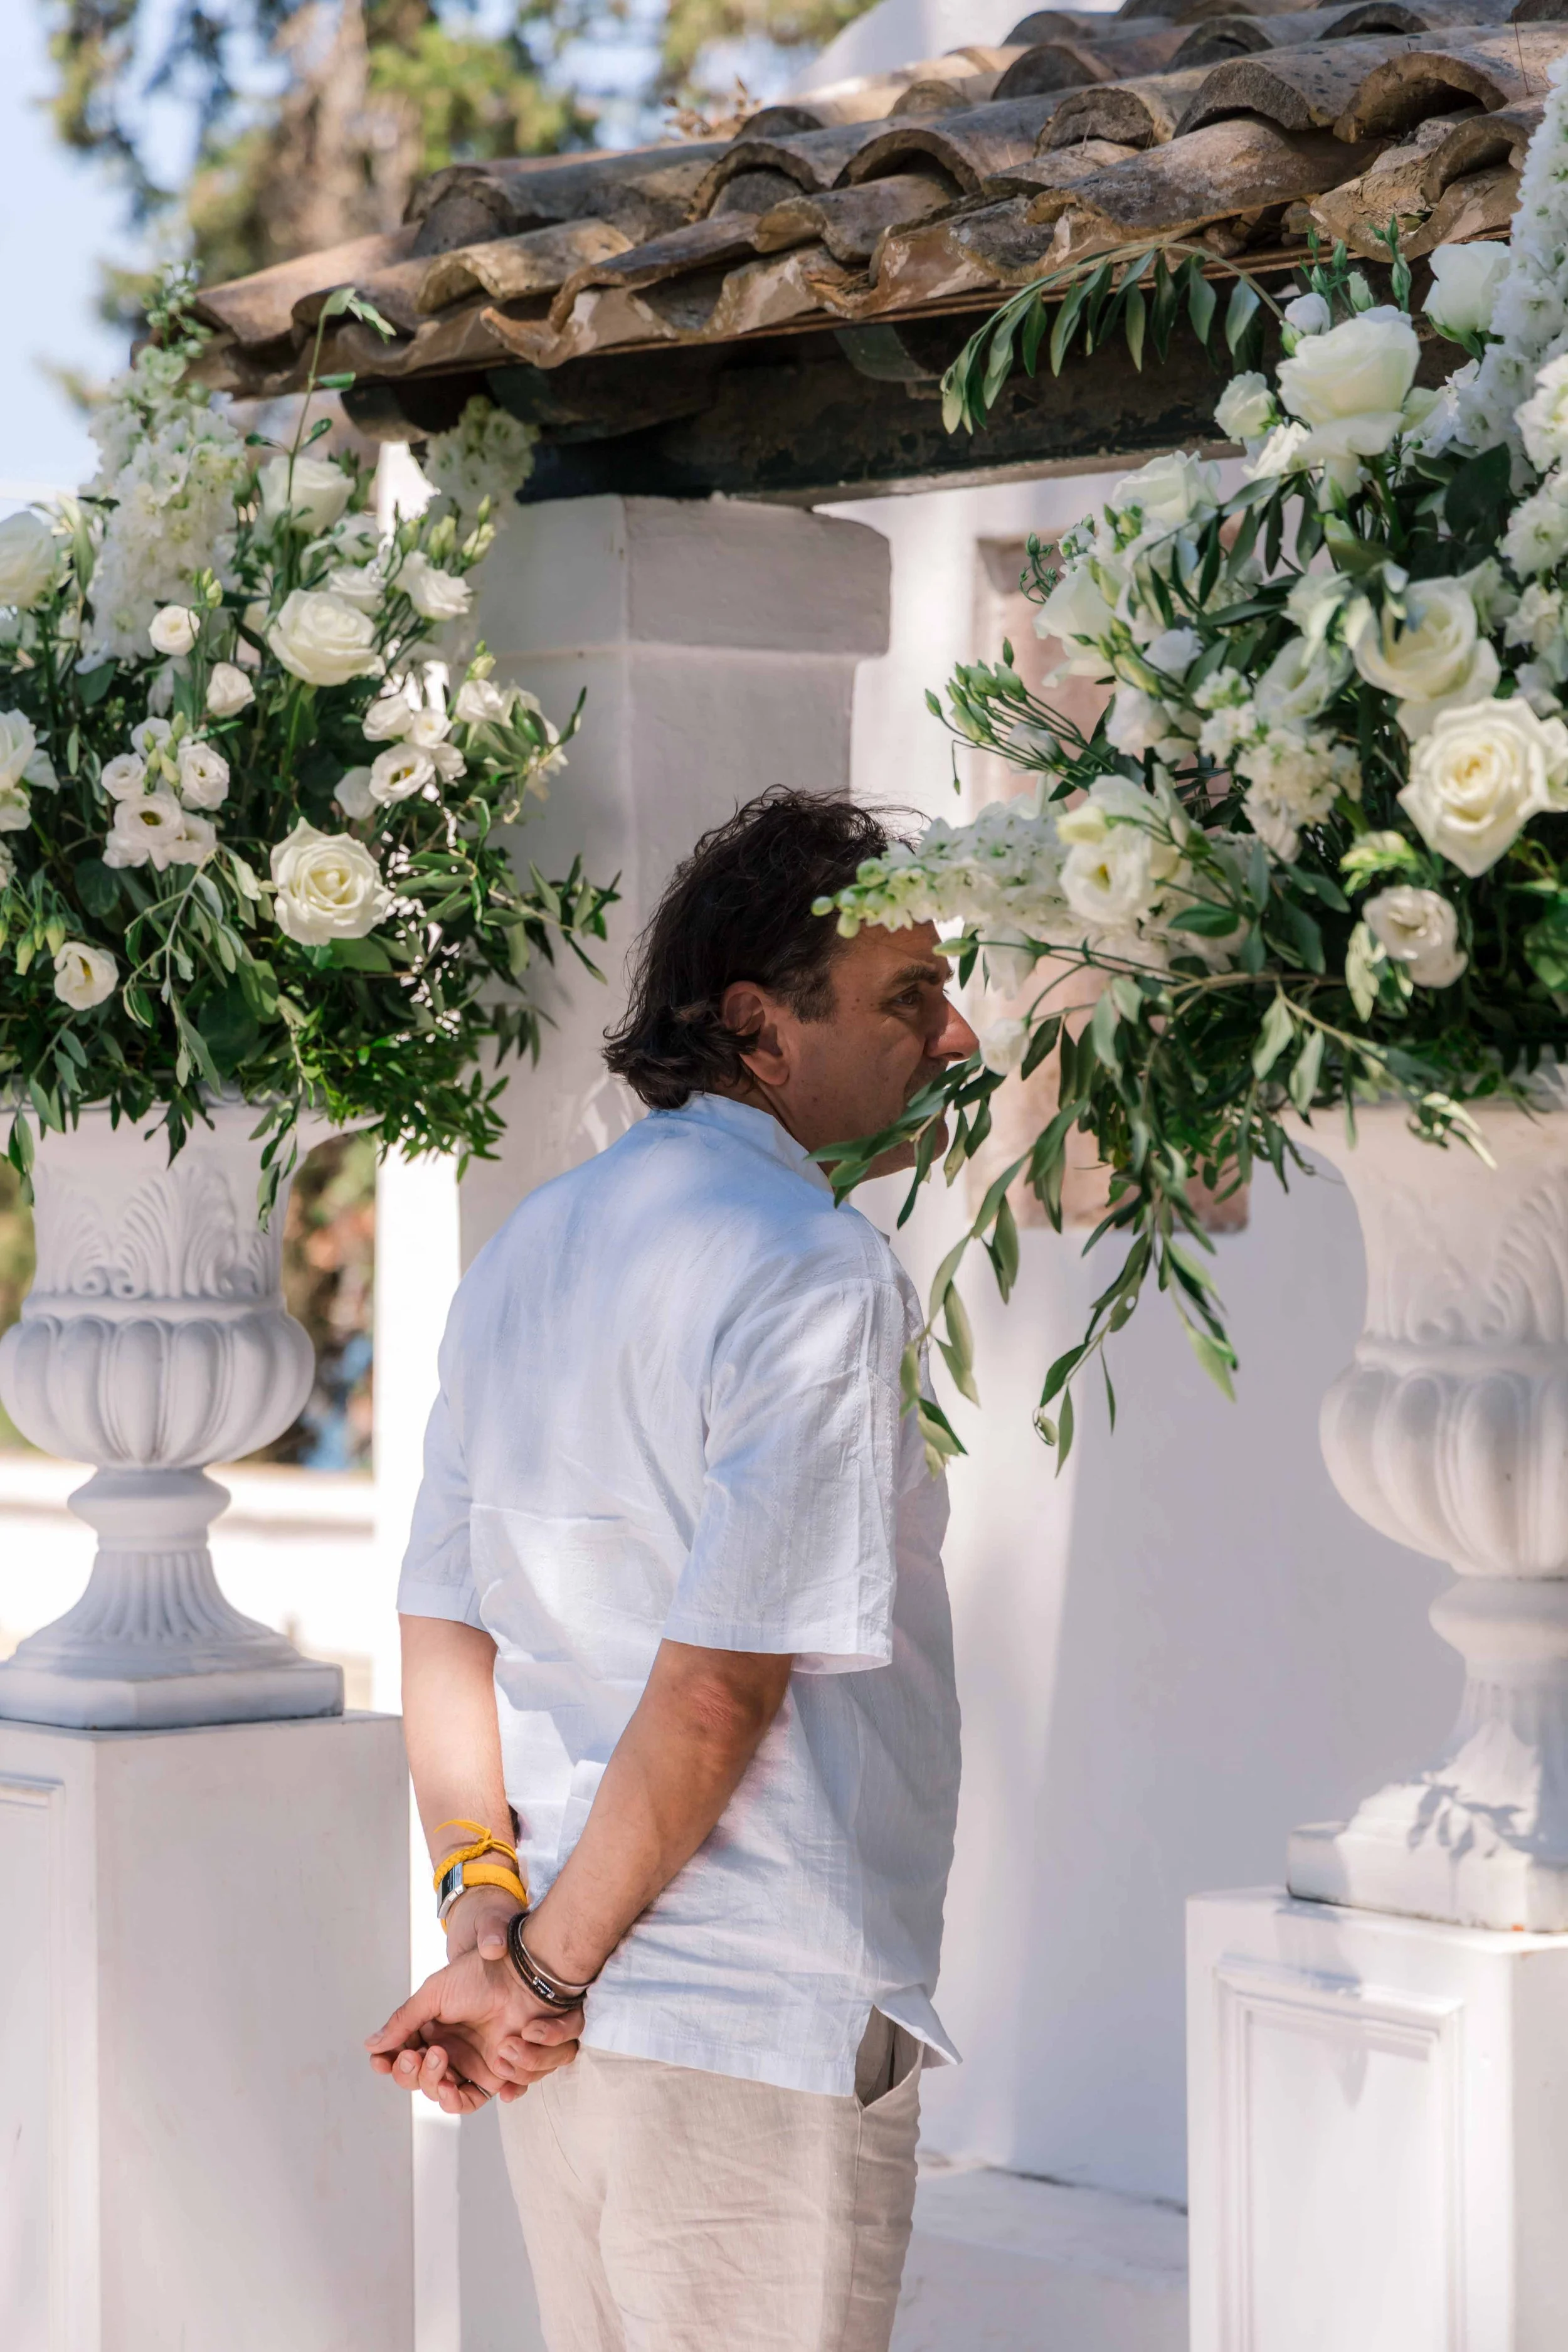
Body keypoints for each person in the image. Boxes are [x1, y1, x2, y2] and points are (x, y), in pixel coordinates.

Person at [367, 788, 979, 2352]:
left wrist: (486, 1926)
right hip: (736, 2013)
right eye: (910, 996)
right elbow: (719, 1689)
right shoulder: (813, 1266)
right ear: (762, 1028)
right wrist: (542, 1981)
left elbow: (444, 1620)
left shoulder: (532, 1245)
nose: (956, 1037)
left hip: (558, 2005)